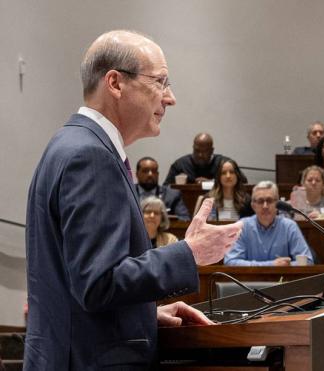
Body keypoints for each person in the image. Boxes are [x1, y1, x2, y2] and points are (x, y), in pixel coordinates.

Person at [24, 30, 243, 370]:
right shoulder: (89, 156)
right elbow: (98, 283)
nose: (170, 98)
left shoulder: (70, 144)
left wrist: (143, 315)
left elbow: (78, 287)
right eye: (160, 82)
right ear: (115, 83)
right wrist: (190, 252)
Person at [224, 181, 314, 266]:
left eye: (270, 200)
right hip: (248, 281)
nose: (265, 206)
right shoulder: (242, 226)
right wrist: (272, 265)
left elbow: (308, 261)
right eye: (260, 201)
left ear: (278, 204)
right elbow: (230, 261)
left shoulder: (289, 226)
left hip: (284, 280)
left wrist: (288, 265)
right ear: (253, 205)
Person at [136, 156, 190, 220]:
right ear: (137, 174)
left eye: (154, 171)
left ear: (157, 174)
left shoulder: (172, 195)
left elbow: (185, 218)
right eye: (145, 171)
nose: (150, 174)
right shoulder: (127, 194)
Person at [163, 132, 230, 184]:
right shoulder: (181, 165)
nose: (200, 155)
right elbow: (165, 188)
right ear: (193, 148)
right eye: (197, 150)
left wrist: (210, 183)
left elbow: (238, 186)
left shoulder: (224, 164)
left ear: (212, 150)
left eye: (204, 151)